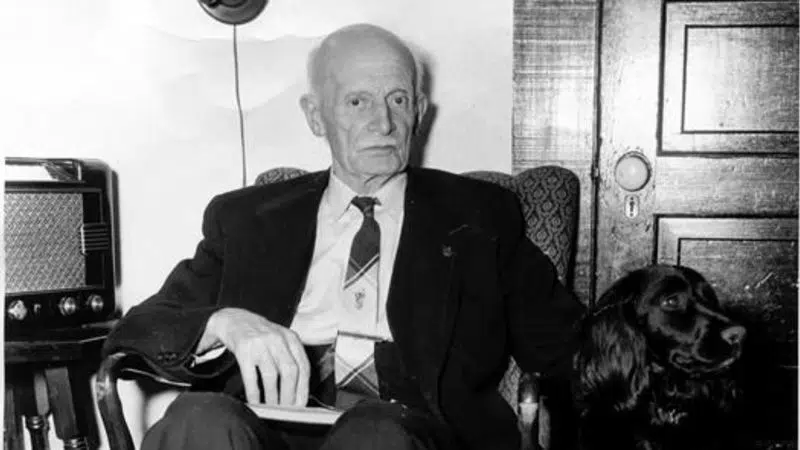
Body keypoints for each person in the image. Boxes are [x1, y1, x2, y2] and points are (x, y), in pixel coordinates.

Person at [103, 23, 584, 450]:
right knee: (197, 417)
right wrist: (223, 322)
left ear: (419, 110)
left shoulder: (479, 216)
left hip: (408, 430)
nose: (384, 123)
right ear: (315, 116)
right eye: (358, 102)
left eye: (398, 100)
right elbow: (140, 328)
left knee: (373, 432)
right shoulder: (247, 218)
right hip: (264, 428)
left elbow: (569, 347)